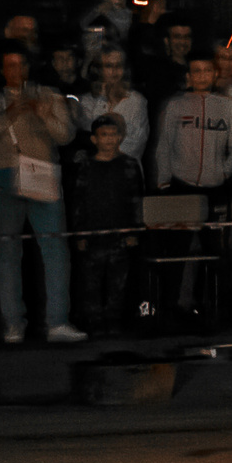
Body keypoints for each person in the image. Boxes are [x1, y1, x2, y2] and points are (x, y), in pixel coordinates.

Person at [0, 45, 84, 344]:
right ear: (0, 69)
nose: (16, 72)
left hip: (41, 173)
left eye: (21, 65)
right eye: (10, 65)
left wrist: (45, 115)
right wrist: (10, 114)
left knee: (55, 249)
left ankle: (58, 321)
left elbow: (66, 136)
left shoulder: (47, 95)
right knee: (8, 251)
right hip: (3, 174)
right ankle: (13, 325)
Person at [149, 54, 232, 318]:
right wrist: (164, 183)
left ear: (214, 75)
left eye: (207, 70)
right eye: (197, 71)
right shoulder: (176, 105)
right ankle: (170, 309)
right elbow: (164, 146)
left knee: (215, 251)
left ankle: (214, 308)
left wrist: (222, 172)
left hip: (215, 189)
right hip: (181, 187)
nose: (202, 75)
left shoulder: (227, 107)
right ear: (188, 76)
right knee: (176, 250)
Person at [68, 115, 145, 333]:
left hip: (120, 235)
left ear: (120, 137)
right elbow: (79, 202)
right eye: (104, 135)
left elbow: (136, 200)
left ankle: (114, 319)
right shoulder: (86, 167)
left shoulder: (129, 164)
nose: (109, 139)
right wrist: (80, 234)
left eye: (113, 134)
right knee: (90, 281)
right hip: (93, 235)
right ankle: (93, 319)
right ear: (94, 139)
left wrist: (134, 231)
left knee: (118, 281)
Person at [76, 49, 148, 163]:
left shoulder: (136, 101)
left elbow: (137, 142)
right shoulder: (87, 101)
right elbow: (89, 136)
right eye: (109, 66)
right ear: (99, 70)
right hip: (96, 171)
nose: (114, 71)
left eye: (118, 66)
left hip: (126, 170)